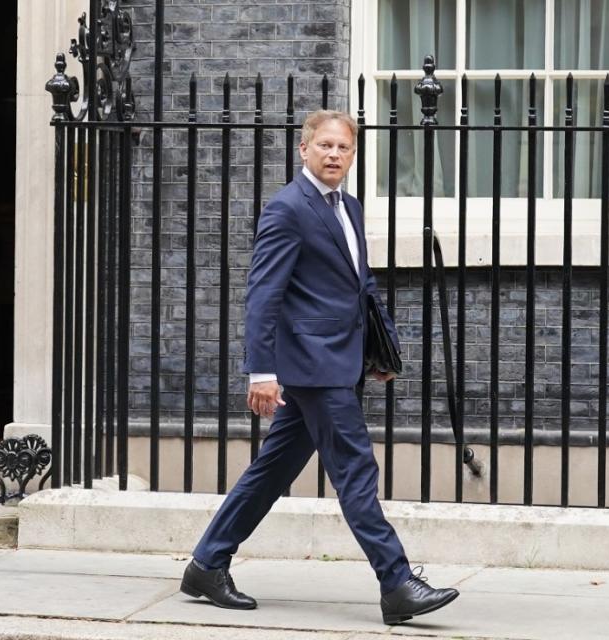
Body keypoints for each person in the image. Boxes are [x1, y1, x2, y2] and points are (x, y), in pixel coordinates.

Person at [179, 110, 459, 625]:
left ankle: (206, 563)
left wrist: (382, 350)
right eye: (325, 145)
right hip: (313, 368)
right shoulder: (288, 208)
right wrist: (260, 371)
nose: (334, 155)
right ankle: (397, 583)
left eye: (343, 148)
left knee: (271, 472)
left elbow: (361, 286)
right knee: (355, 470)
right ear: (303, 149)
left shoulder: (347, 207)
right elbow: (264, 293)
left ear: (353, 156)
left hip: (340, 360)